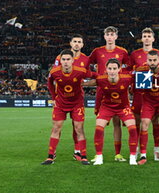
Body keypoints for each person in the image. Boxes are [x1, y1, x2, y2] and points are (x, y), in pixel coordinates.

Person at [42, 49, 91, 165]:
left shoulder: (80, 71)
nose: (66, 62)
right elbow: (49, 82)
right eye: (63, 59)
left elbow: (95, 76)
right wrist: (54, 97)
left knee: (79, 128)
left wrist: (92, 82)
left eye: (68, 59)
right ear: (60, 60)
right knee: (56, 128)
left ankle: (83, 156)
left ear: (72, 60)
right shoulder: (54, 72)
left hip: (76, 104)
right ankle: (50, 156)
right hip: (60, 103)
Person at [89, 26, 130, 162]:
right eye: (108, 34)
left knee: (117, 123)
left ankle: (117, 154)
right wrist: (95, 75)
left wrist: (122, 80)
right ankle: (98, 153)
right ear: (104, 36)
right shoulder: (97, 51)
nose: (110, 37)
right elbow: (86, 64)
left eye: (113, 34)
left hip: (118, 90)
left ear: (116, 37)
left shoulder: (122, 52)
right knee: (100, 123)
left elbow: (129, 68)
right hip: (102, 90)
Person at [89, 58, 138, 165]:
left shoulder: (127, 78)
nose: (112, 71)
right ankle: (99, 157)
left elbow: (142, 75)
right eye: (110, 68)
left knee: (133, 129)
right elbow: (88, 82)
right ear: (106, 69)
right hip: (106, 107)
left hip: (123, 107)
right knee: (98, 129)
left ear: (119, 69)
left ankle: (133, 157)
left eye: (114, 68)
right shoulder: (101, 79)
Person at [129, 28, 159, 161]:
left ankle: (156, 150)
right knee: (139, 121)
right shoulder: (135, 54)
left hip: (154, 94)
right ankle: (140, 149)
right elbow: (129, 71)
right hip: (139, 93)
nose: (146, 38)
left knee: (155, 121)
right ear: (142, 38)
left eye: (148, 36)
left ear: (153, 39)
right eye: (144, 36)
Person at [53, 34, 90, 162]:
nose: (77, 44)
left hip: (77, 98)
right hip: (62, 98)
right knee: (58, 126)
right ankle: (52, 153)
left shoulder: (86, 59)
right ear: (70, 43)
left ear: (82, 44)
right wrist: (55, 96)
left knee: (77, 125)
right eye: (74, 41)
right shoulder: (61, 57)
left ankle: (77, 151)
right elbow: (54, 75)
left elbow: (88, 76)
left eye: (79, 42)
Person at [135, 51, 159, 165]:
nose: (152, 63)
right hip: (149, 102)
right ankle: (143, 155)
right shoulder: (142, 71)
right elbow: (138, 88)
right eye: (150, 60)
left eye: (154, 60)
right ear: (147, 61)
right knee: (145, 124)